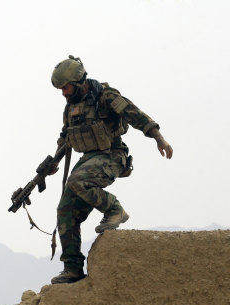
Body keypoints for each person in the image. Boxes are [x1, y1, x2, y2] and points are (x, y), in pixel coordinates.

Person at [49, 55, 173, 284]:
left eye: (66, 88)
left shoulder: (104, 96)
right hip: (89, 159)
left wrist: (158, 138)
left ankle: (115, 209)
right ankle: (73, 268)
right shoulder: (71, 108)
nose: (64, 93)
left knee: (76, 181)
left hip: (113, 155)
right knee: (65, 209)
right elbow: (66, 137)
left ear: (78, 82)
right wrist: (53, 163)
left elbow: (134, 114)